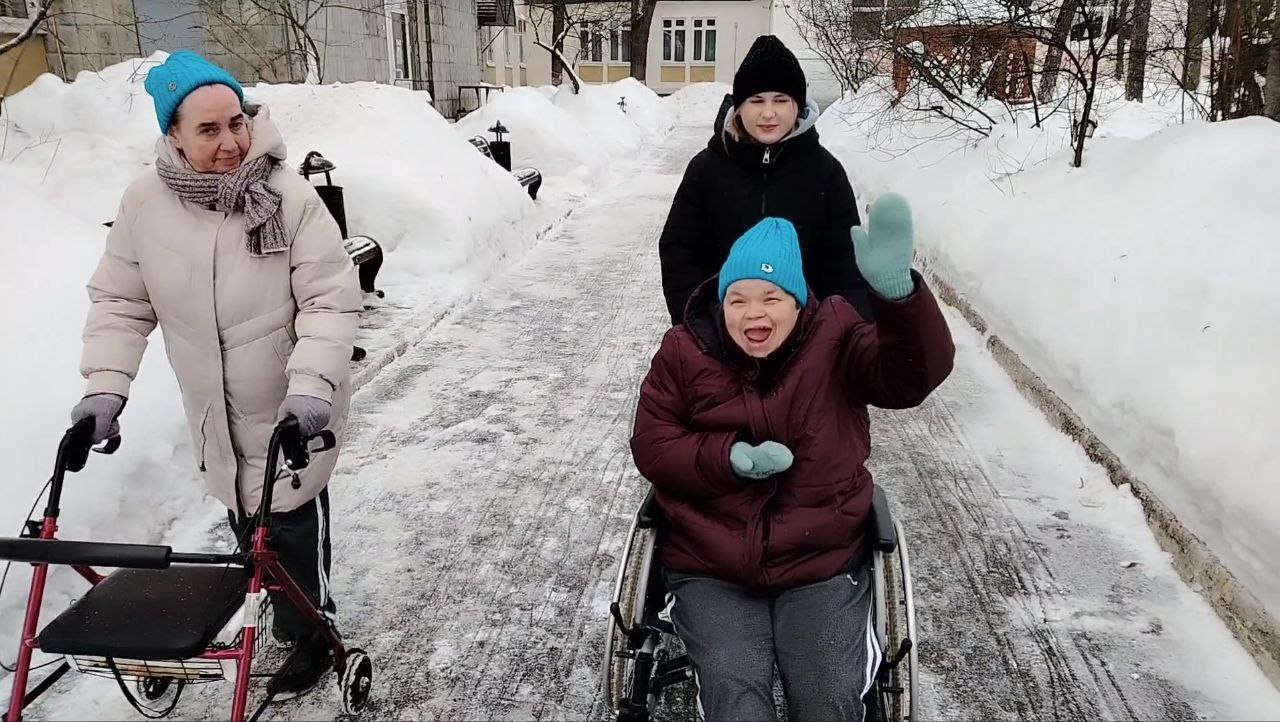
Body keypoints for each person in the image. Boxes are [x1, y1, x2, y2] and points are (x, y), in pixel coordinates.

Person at [68, 51, 361, 699]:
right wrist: (105, 386)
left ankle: (309, 631)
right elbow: (120, 300)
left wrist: (312, 388)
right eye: (208, 129)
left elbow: (330, 301)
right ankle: (273, 608)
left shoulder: (287, 196)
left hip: (291, 409)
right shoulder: (145, 204)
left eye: (237, 122)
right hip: (213, 411)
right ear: (172, 135)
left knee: (290, 524)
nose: (231, 142)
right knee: (244, 521)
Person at [631, 195, 955, 720]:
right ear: (720, 301)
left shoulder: (838, 336)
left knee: (828, 697)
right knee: (736, 700)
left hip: (820, 561)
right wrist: (727, 457)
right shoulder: (684, 352)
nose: (754, 313)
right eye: (737, 299)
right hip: (711, 564)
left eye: (771, 297)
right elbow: (653, 442)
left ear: (799, 301)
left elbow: (910, 378)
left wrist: (898, 298)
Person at [658, 34, 874, 326]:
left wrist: (832, 333)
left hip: (807, 339)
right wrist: (699, 324)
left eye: (780, 100)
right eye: (756, 100)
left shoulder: (826, 173)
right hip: (721, 334)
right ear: (739, 107)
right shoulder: (706, 170)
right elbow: (679, 251)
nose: (768, 113)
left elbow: (845, 265)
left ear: (797, 106)